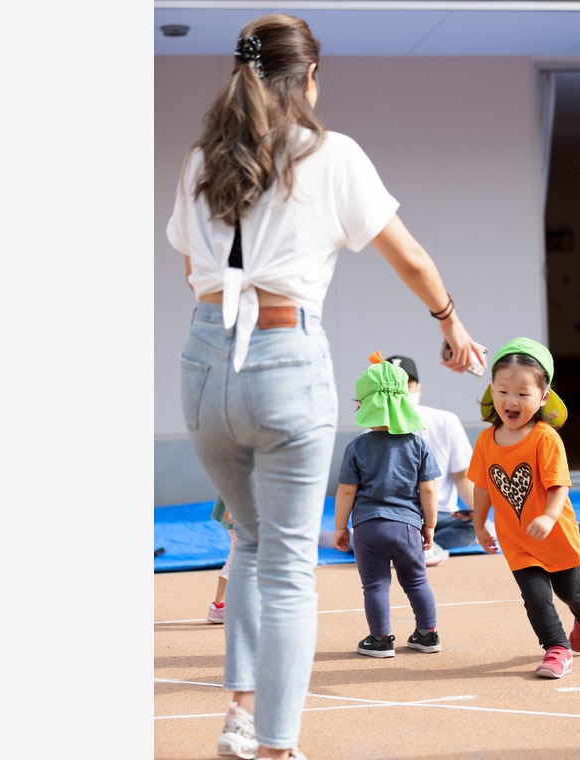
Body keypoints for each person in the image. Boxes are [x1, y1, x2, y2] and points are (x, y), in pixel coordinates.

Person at [164, 13, 486, 760]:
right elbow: (409, 257)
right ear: (309, 78)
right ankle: (277, 747)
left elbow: (191, 271)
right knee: (286, 565)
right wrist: (450, 323)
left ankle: (240, 716)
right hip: (284, 353)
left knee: (249, 544)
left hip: (204, 358)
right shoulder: (331, 152)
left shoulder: (199, 161)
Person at [468, 337, 580, 680]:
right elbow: (482, 486)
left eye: (522, 393)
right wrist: (479, 525)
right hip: (518, 541)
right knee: (535, 596)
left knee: (570, 592)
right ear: (492, 391)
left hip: (556, 537)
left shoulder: (545, 438)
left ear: (542, 397)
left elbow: (559, 485)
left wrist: (549, 516)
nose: (511, 400)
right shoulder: (485, 441)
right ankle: (557, 649)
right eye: (503, 391)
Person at [333, 352, 443, 658]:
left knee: (375, 585)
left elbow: (345, 492)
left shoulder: (357, 446)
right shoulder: (417, 444)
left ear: (365, 405)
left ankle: (380, 640)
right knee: (417, 581)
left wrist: (340, 527)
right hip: (407, 527)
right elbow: (428, 490)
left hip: (368, 528)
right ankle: (427, 634)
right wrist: (430, 525)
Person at [384, 354, 486, 566]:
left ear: (418, 389)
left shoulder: (445, 421)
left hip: (441, 515)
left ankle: (407, 546)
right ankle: (419, 546)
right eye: (393, 386)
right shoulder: (372, 431)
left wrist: (478, 513)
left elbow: (462, 475)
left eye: (406, 385)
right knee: (365, 531)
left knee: (475, 527)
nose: (401, 392)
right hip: (395, 515)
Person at [207, 496, 238, 624]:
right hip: (242, 517)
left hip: (240, 515)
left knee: (236, 559)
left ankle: (219, 606)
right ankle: (219, 607)